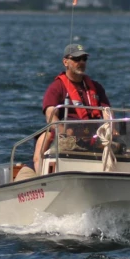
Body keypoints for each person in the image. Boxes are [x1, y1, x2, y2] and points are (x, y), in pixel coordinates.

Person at [32, 43, 112, 172]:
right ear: (66, 62)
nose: (81, 62)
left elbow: (107, 112)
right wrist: (62, 131)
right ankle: (42, 180)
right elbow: (50, 114)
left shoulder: (96, 87)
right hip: (67, 135)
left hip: (93, 135)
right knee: (42, 142)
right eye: (76, 59)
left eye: (84, 59)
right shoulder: (56, 87)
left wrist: (110, 128)